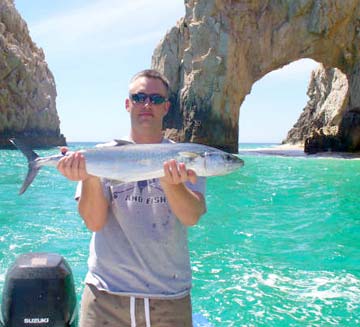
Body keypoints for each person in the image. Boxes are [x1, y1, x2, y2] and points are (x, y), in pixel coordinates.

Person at [57, 69, 207, 327]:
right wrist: (89, 175)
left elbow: (191, 216)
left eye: (156, 99)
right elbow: (93, 222)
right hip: (104, 299)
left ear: (166, 107)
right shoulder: (100, 155)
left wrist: (171, 184)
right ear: (128, 104)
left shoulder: (187, 157)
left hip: (169, 299)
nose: (147, 104)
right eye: (139, 97)